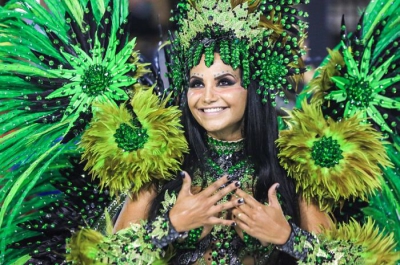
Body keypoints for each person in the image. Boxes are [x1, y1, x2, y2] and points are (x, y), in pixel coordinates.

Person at [1, 0, 399, 264]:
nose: (207, 97)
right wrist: (170, 227)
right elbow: (102, 259)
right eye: (196, 83)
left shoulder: (297, 161)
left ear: (253, 87)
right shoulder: (160, 157)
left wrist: (285, 237)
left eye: (224, 81)